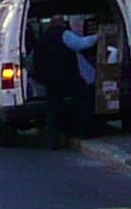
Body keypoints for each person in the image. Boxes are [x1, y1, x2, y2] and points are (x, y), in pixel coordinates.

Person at [28, 14, 100, 144]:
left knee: (52, 110)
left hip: (49, 80)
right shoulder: (64, 34)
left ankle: (53, 140)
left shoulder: (41, 39)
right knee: (85, 99)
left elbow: (30, 61)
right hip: (67, 77)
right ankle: (85, 132)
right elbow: (81, 44)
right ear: (62, 24)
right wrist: (99, 36)